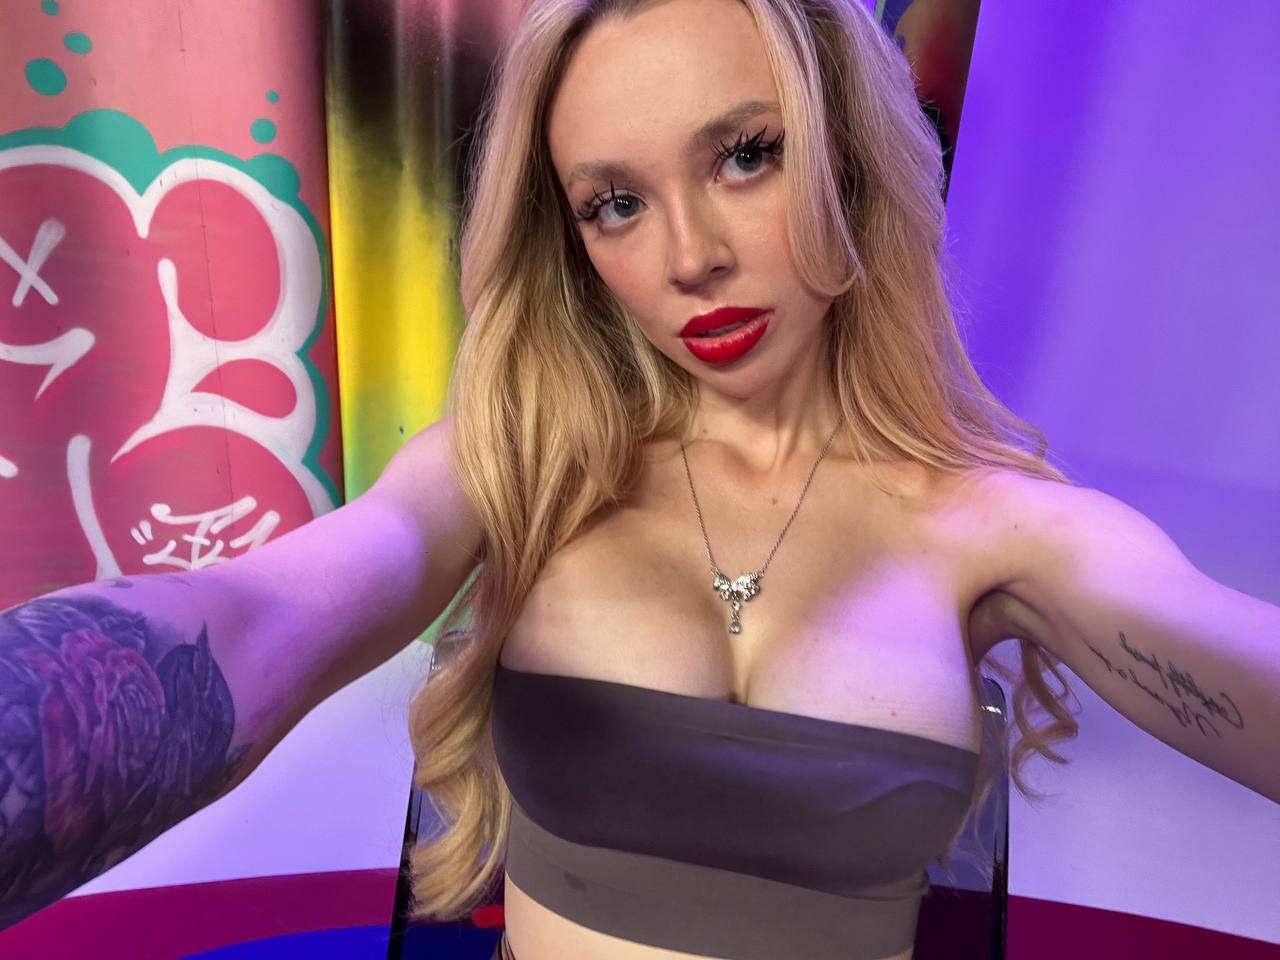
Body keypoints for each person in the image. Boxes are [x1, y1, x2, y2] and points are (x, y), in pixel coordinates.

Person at [0, 0, 1276, 957]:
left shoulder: (995, 527)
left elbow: (1211, 647)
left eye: (745, 154)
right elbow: (259, 617)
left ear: (847, 156)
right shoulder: (522, 462)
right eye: (613, 204)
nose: (687, 257)